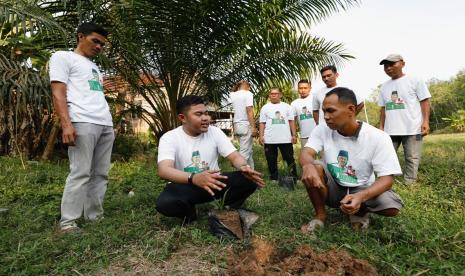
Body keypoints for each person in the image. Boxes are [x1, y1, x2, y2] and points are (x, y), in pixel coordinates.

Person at [300, 87, 404, 232]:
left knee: (391, 207)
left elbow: (387, 179)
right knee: (315, 166)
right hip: (334, 186)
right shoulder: (322, 129)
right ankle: (320, 216)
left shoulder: (378, 137)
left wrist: (361, 196)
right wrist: (307, 165)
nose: (326, 116)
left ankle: (359, 211)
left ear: (351, 109)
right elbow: (307, 152)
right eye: (324, 111)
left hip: (363, 187)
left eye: (331, 110)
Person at [156, 95, 265, 224]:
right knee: (165, 203)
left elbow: (235, 156)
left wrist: (243, 166)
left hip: (214, 184)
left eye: (206, 113)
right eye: (198, 114)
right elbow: (164, 170)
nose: (206, 118)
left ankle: (227, 209)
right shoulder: (170, 138)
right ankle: (190, 215)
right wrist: (194, 178)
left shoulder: (215, 132)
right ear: (182, 118)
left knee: (248, 179)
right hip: (186, 186)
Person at [49, 22, 114, 233]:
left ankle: (95, 217)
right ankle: (68, 223)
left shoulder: (95, 67)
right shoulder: (63, 57)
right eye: (95, 41)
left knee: (101, 174)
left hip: (104, 123)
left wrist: (109, 123)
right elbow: (58, 93)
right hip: (82, 121)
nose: (99, 47)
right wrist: (66, 124)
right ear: (80, 36)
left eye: (102, 45)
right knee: (80, 172)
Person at [378, 54, 431, 183]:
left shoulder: (415, 80)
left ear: (402, 63)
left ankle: (410, 182)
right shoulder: (384, 86)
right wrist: (381, 127)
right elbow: (383, 108)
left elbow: (424, 101)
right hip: (390, 130)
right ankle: (386, 181)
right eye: (386, 66)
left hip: (412, 127)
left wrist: (425, 122)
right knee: (386, 156)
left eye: (392, 64)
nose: (388, 68)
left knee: (412, 157)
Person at [259, 87, 297, 181]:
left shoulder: (287, 107)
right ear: (269, 95)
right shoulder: (265, 107)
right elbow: (262, 123)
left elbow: (291, 122)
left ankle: (294, 177)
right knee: (271, 160)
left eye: (276, 93)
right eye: (272, 94)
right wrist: (261, 136)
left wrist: (294, 135)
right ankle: (274, 178)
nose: (274, 95)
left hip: (285, 139)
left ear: (280, 95)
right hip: (269, 139)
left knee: (289, 159)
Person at [230, 80, 257, 168]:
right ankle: (237, 165)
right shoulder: (248, 94)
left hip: (237, 125)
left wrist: (238, 85)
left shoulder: (233, 94)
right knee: (245, 152)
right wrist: (253, 127)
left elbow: (233, 89)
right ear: (248, 86)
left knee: (248, 150)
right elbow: (249, 110)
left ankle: (251, 173)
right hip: (245, 124)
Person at [291, 79, 316, 148]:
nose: (303, 90)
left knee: (324, 157)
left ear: (310, 89)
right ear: (298, 89)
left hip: (319, 135)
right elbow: (293, 120)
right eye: (301, 88)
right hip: (304, 136)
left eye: (305, 88)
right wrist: (294, 134)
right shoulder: (294, 103)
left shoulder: (315, 99)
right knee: (307, 158)